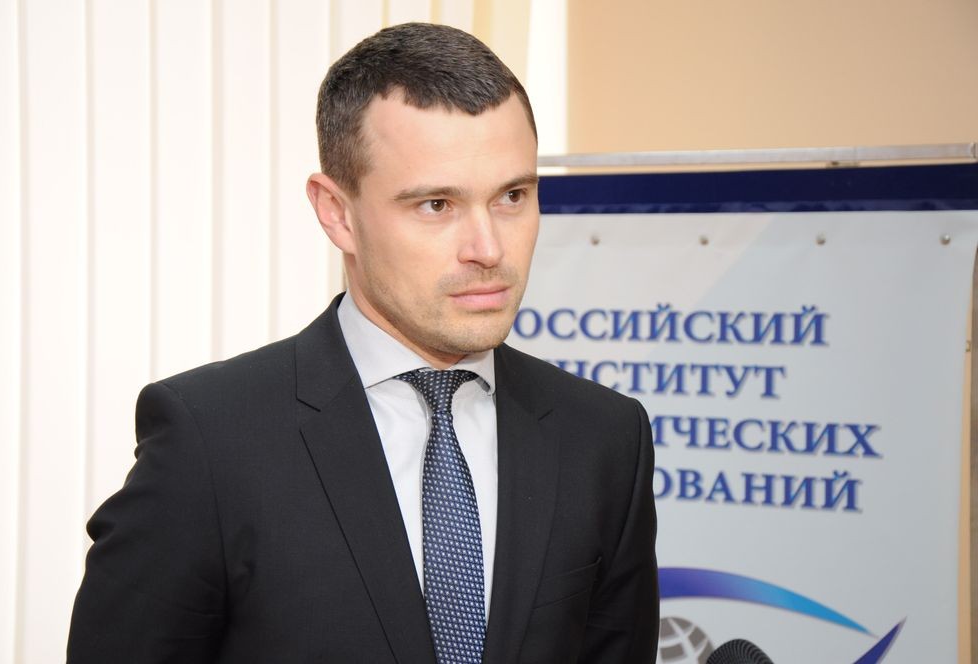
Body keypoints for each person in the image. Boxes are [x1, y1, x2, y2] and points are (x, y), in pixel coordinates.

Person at [68, 22, 658, 663]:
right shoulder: (210, 441)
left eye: (513, 196)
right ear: (337, 213)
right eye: (436, 205)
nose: (489, 249)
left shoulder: (604, 437)